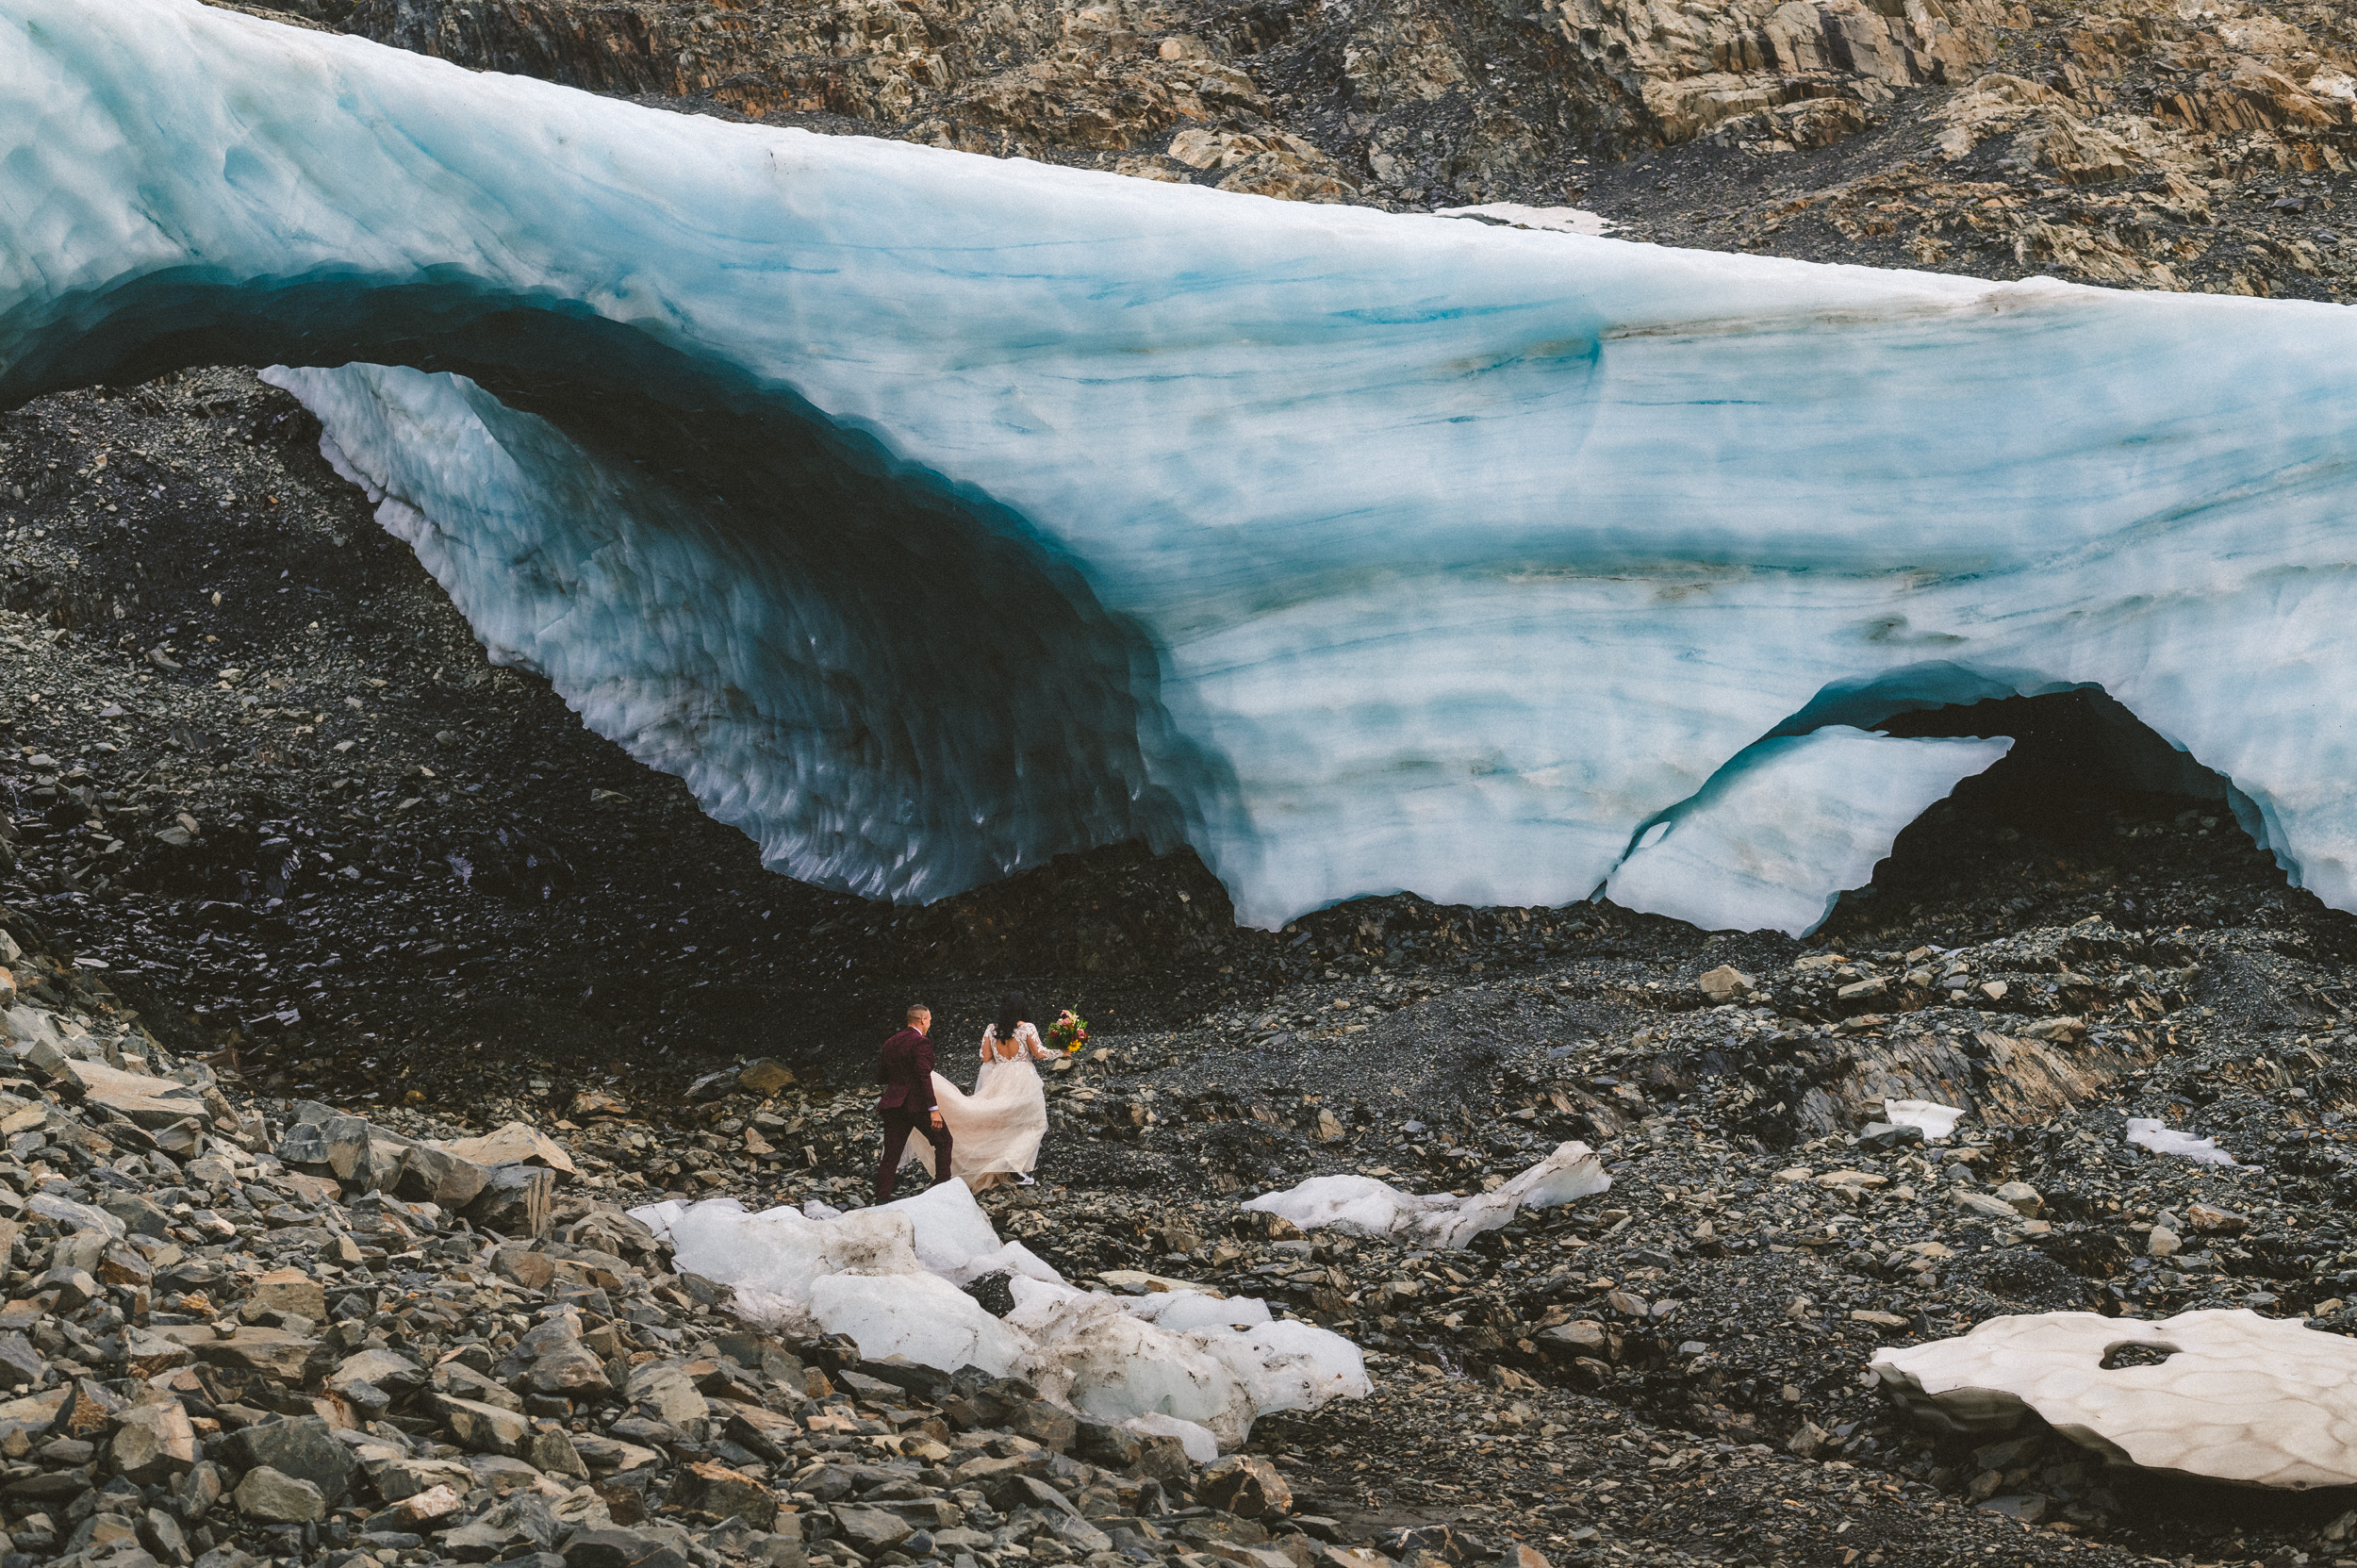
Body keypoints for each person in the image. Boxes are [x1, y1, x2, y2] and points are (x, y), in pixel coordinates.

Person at [914, 988, 1052, 1191]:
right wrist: (1063, 1051)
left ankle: (1007, 1167)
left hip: (999, 1079)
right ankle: (1014, 1167)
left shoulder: (991, 1029)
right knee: (1033, 1123)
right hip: (1023, 1081)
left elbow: (985, 1058)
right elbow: (1040, 1054)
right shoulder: (1027, 1028)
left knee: (997, 1122)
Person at [873, 1002, 950, 1204]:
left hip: (893, 1104)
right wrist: (934, 1109)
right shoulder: (921, 1042)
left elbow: (880, 1076)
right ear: (923, 1019)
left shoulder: (890, 1042)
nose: (930, 1024)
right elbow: (923, 1076)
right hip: (917, 1105)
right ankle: (943, 1188)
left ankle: (881, 1198)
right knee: (943, 1141)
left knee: (891, 1154)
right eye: (930, 1020)